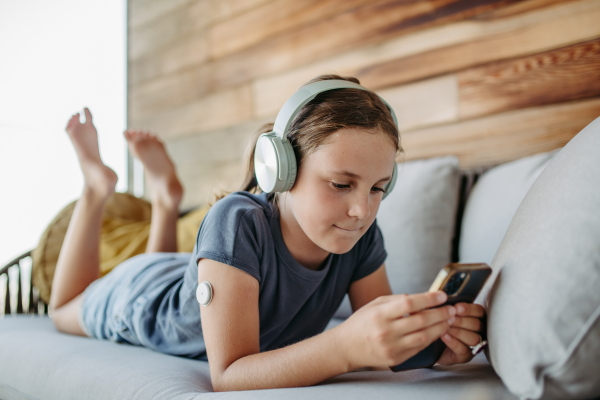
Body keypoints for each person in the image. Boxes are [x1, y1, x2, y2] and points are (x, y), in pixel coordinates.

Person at [49, 75, 485, 392]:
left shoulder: (361, 236)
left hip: (202, 278)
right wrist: (345, 347)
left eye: (378, 188)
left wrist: (433, 346)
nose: (362, 210)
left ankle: (166, 199)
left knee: (175, 271)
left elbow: (383, 337)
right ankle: (97, 187)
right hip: (142, 295)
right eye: (340, 184)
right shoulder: (236, 220)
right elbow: (229, 374)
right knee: (61, 309)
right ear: (280, 170)